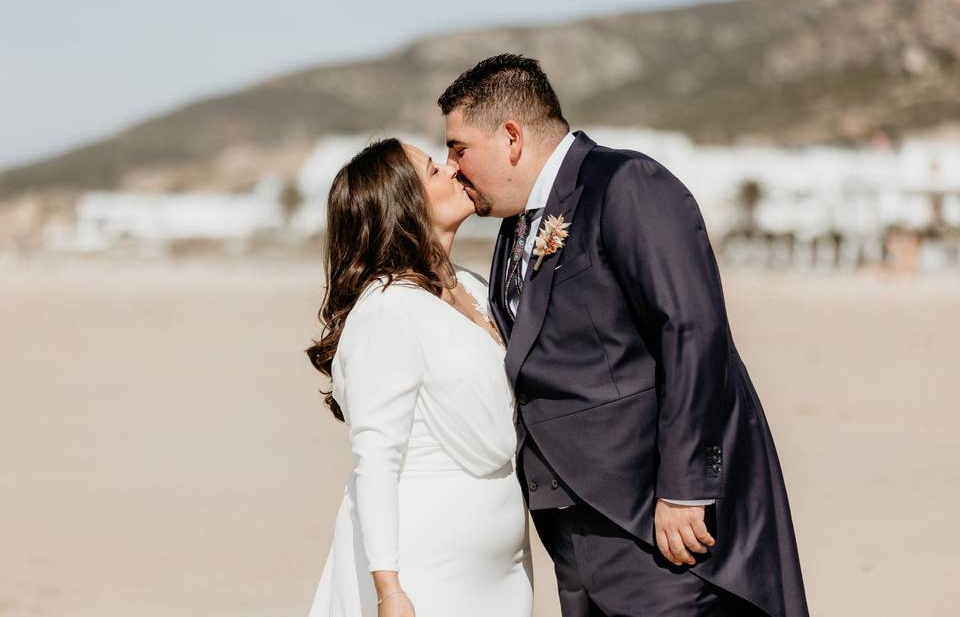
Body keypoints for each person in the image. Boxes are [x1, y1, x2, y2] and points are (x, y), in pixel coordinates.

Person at [439, 54, 809, 617]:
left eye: (459, 148)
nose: (453, 167)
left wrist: (684, 487)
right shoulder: (514, 227)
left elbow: (691, 328)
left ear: (511, 137)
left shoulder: (627, 183)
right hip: (570, 533)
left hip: (654, 525)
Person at [304, 138, 533, 617]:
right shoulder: (387, 309)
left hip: (502, 570)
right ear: (402, 206)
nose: (452, 169)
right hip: (426, 567)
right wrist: (390, 589)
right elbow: (377, 457)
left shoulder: (470, 285)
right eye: (433, 170)